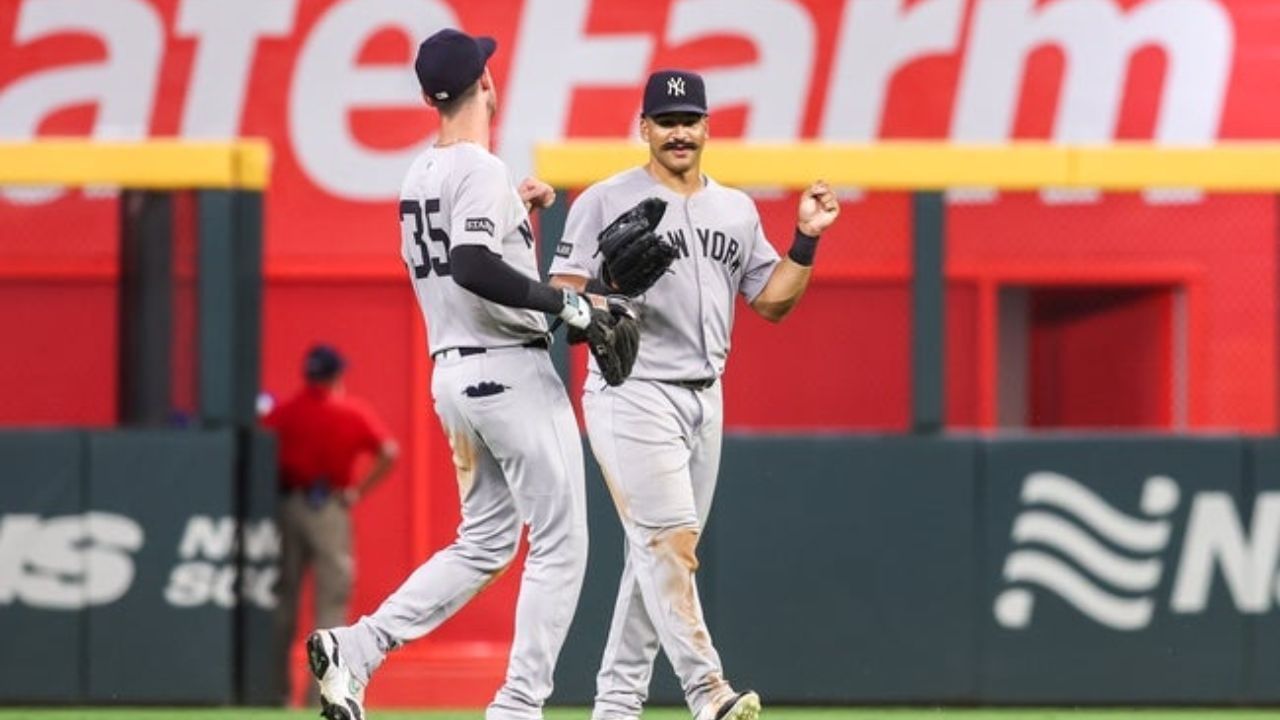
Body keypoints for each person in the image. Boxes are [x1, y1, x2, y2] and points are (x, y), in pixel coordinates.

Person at [306, 28, 611, 720]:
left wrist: (514, 214)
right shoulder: (480, 168)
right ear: (487, 83)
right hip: (510, 373)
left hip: (454, 376)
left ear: (427, 98)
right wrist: (567, 303)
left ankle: (359, 647)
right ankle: (518, 707)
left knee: (486, 542)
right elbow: (472, 264)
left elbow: (461, 258)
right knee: (562, 543)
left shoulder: (420, 174)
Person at [550, 69, 842, 720]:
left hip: (705, 397)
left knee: (655, 561)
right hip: (633, 388)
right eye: (666, 121)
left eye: (689, 121)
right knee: (669, 545)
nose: (678, 132)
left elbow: (772, 302)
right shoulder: (604, 200)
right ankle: (708, 692)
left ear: (707, 127)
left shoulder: (735, 210)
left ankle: (615, 708)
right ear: (644, 128)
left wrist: (806, 239)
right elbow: (561, 297)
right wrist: (608, 292)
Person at [264, 343, 399, 707]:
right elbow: (389, 452)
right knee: (331, 602)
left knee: (283, 601)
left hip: (286, 506)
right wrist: (357, 492)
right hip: (329, 507)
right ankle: (320, 694)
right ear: (337, 374)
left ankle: (273, 693)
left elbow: (261, 443)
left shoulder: (285, 412)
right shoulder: (350, 412)